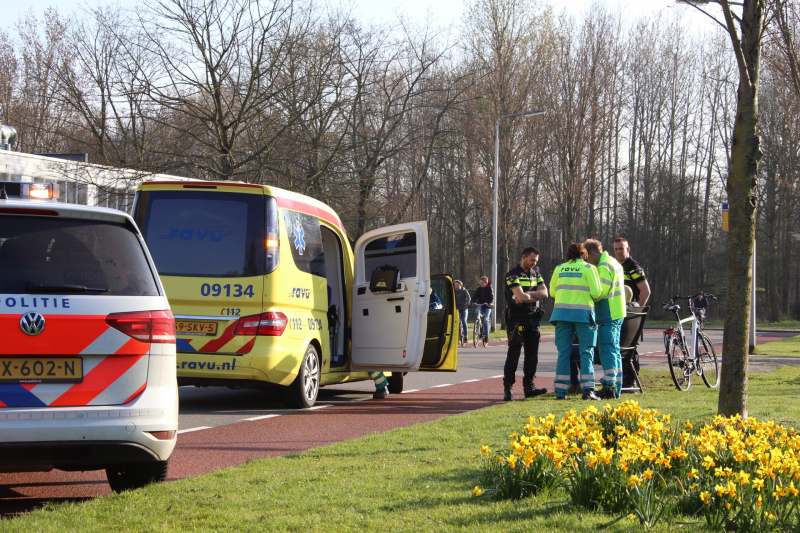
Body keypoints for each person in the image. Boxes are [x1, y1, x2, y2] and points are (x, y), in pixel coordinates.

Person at [550, 243, 603, 401]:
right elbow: (596, 293)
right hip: (583, 315)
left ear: (568, 254)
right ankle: (588, 390)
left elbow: (553, 292)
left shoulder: (559, 268)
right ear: (584, 254)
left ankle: (561, 391)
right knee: (586, 352)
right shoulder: (589, 269)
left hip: (561, 315)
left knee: (563, 353)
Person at [502, 247, 549, 401]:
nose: (534, 264)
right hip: (517, 319)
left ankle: (529, 387)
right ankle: (508, 387)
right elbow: (520, 297)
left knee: (532, 355)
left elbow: (545, 294)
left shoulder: (536, 274)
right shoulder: (512, 274)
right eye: (531, 260)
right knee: (513, 354)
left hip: (533, 318)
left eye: (536, 261)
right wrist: (531, 296)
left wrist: (527, 295)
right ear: (523, 257)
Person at [584, 239, 626, 399]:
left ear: (592, 253)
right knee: (614, 350)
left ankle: (609, 386)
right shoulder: (612, 262)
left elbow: (600, 292)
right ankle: (617, 386)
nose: (588, 263)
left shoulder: (603, 266)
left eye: (587, 258)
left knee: (607, 350)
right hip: (617, 311)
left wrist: (586, 294)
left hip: (608, 313)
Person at [613, 237, 650, 386]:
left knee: (630, 349)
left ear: (628, 249)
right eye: (616, 249)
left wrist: (636, 313)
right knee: (620, 347)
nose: (618, 252)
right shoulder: (615, 266)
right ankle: (624, 380)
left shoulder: (633, 267)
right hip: (618, 312)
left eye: (621, 249)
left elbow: (646, 291)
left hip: (630, 314)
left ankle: (631, 381)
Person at [472, 276, 494, 343]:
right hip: (480, 304)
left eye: (482, 282)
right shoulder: (479, 289)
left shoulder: (490, 289)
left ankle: (486, 336)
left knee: (485, 320)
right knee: (476, 312)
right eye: (480, 282)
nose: (481, 284)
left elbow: (492, 297)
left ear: (486, 283)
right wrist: (471, 302)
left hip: (487, 306)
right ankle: (480, 329)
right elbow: (475, 296)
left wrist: (491, 303)